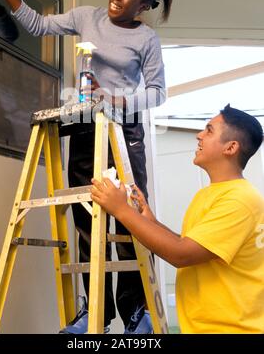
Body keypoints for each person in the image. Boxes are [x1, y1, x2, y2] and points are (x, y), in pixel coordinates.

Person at [0, 0, 173, 334]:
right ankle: (94, 311)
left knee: (129, 218)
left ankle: (134, 310)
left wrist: (115, 101)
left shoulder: (147, 39)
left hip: (124, 131)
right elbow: (37, 24)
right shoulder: (88, 16)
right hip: (85, 124)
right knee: (85, 219)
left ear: (144, 6)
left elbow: (157, 93)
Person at [91, 105, 264, 334]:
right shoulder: (210, 194)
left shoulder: (240, 201)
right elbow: (190, 244)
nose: (199, 135)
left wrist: (122, 210)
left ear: (231, 147)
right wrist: (150, 220)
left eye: (209, 131)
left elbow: (181, 254)